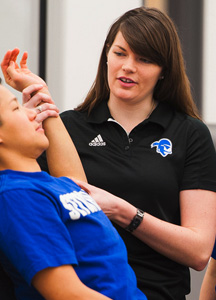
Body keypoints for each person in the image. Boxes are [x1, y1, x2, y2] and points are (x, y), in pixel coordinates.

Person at [2, 6, 216, 300]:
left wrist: (124, 211)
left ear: (164, 70)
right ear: (105, 55)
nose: (129, 66)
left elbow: (200, 251)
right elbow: (59, 197)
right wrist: (43, 105)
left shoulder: (190, 133)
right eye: (120, 53)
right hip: (88, 288)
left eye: (145, 59)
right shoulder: (64, 128)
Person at [0, 75, 147, 300]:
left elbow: (79, 185)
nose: (33, 112)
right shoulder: (17, 195)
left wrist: (39, 93)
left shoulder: (53, 184)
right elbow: (66, 293)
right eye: (16, 109)